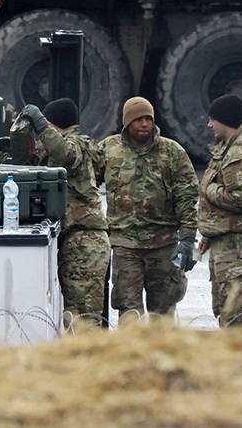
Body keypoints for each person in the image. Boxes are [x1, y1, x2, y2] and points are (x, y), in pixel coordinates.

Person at [98, 97, 199, 323]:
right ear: (127, 123)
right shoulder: (108, 150)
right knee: (128, 310)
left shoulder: (172, 152)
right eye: (138, 119)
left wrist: (188, 237)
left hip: (163, 245)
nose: (144, 124)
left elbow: (187, 196)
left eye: (148, 119)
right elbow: (86, 182)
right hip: (125, 247)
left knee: (162, 313)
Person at [22, 98, 110, 326]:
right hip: (73, 240)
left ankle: (88, 360)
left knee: (84, 320)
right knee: (73, 317)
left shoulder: (80, 144)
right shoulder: (57, 147)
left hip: (86, 241)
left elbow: (66, 154)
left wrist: (40, 124)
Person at [197, 94, 242, 327]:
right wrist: (209, 234)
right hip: (223, 241)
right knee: (223, 309)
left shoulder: (241, 153)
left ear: (225, 120)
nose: (209, 125)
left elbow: (241, 199)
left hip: (235, 245)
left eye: (213, 119)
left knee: (237, 314)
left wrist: (210, 189)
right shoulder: (227, 150)